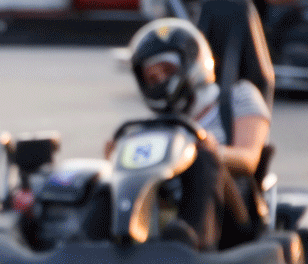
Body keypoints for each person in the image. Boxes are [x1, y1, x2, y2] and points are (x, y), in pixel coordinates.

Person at [112, 18, 271, 251]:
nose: (160, 82)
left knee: (204, 160)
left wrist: (208, 149)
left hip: (234, 215)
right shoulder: (158, 124)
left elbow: (249, 159)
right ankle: (88, 242)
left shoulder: (239, 97)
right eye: (152, 78)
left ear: (193, 63)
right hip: (166, 209)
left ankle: (192, 239)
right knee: (110, 175)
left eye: (167, 71)